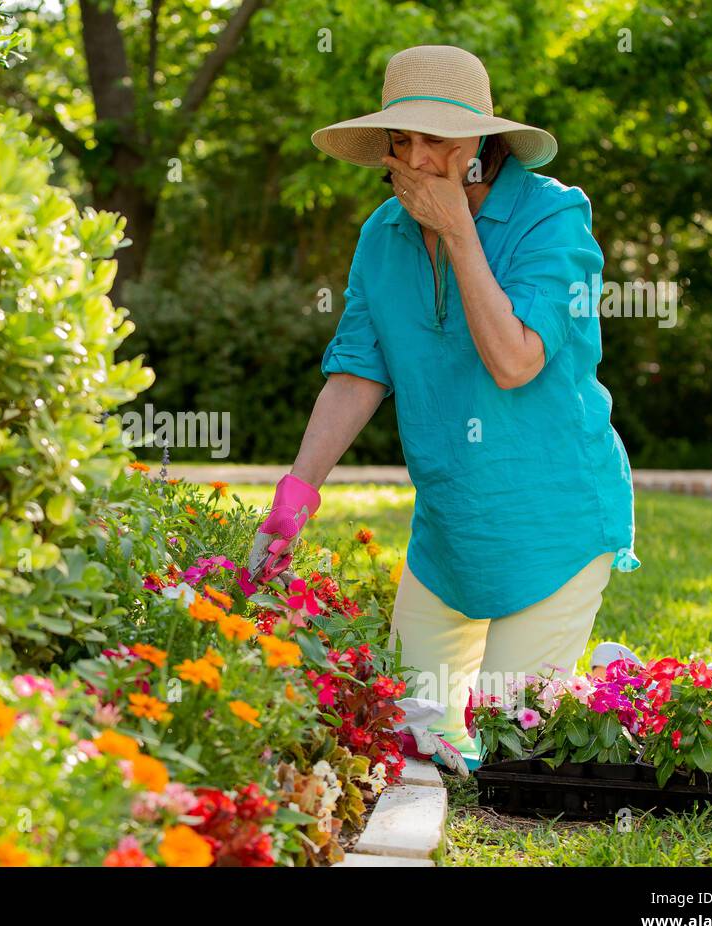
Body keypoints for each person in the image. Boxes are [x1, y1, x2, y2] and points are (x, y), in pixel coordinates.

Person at [248, 46, 641, 774]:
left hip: (554, 523)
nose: (418, 160)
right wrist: (295, 495)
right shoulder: (383, 234)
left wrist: (459, 231)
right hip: (450, 532)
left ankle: (618, 687)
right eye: (403, 140)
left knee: (511, 752)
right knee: (402, 736)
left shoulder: (553, 218)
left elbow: (515, 361)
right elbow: (357, 373)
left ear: (482, 141)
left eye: (438, 139)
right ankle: (584, 687)